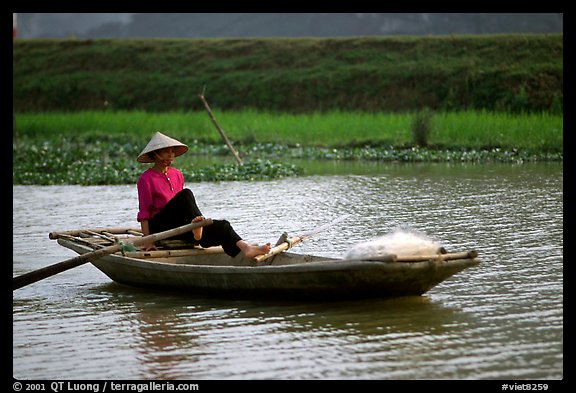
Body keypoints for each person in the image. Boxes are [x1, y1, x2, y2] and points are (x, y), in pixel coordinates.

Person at [136, 131, 271, 259]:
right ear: (156, 154)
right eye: (166, 151)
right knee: (186, 194)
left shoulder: (177, 174)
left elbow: (184, 209)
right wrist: (148, 241)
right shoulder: (146, 179)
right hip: (159, 227)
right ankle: (199, 227)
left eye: (172, 151)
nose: (171, 155)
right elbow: (144, 214)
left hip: (177, 226)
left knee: (223, 225)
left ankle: (246, 248)